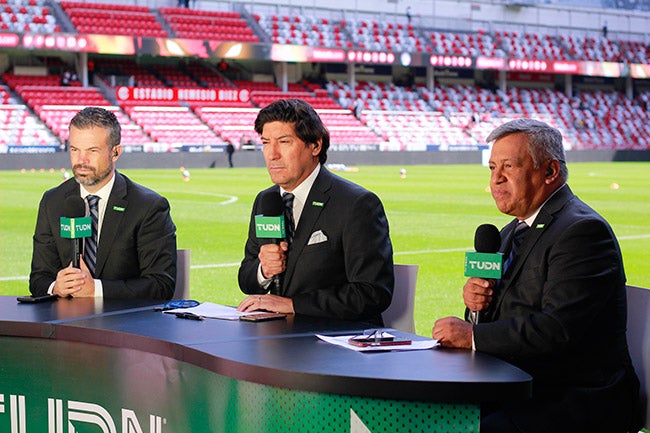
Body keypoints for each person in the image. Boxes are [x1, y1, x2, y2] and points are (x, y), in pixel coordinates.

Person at [432, 118, 640, 433]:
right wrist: (477, 306)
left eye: (509, 167)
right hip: (513, 381)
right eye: (491, 168)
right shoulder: (507, 232)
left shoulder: (582, 231)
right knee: (430, 411)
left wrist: (471, 336)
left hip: (573, 397)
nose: (496, 179)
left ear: (550, 171)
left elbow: (556, 329)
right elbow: (501, 316)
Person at [237, 99, 394, 324]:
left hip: (337, 342)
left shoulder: (356, 204)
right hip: (277, 339)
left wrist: (293, 305)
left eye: (284, 142)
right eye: (265, 142)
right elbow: (246, 279)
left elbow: (372, 293)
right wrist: (264, 271)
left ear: (315, 146)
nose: (272, 154)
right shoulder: (266, 200)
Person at [30, 107, 177, 299]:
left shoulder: (148, 207)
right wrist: (55, 287)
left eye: (92, 151)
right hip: (66, 323)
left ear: (115, 152)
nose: (81, 160)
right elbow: (38, 278)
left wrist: (96, 290)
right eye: (75, 150)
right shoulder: (52, 201)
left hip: (123, 324)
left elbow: (161, 285)